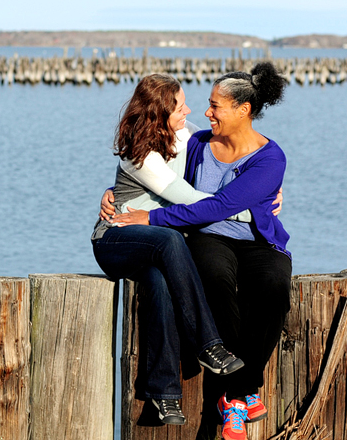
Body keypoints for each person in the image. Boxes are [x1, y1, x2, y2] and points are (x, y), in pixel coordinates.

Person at [111, 62, 293, 440]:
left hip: (258, 239)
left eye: (215, 106)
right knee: (212, 276)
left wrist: (156, 217)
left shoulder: (270, 158)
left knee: (273, 286)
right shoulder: (197, 142)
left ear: (243, 110)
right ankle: (240, 397)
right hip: (208, 235)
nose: (206, 112)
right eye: (207, 105)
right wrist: (114, 195)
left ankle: (238, 390)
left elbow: (220, 204)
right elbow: (150, 161)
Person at [91, 73, 246, 427]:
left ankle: (165, 396)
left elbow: (231, 150)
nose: (188, 110)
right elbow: (186, 198)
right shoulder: (139, 154)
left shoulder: (184, 132)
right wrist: (247, 211)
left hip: (155, 247)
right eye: (179, 106)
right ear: (159, 113)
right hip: (116, 240)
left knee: (159, 285)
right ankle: (208, 343)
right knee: (171, 238)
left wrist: (262, 196)